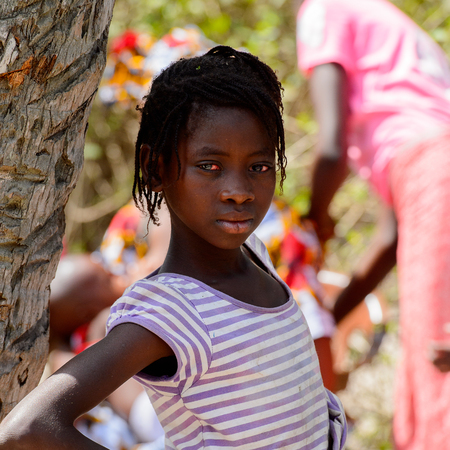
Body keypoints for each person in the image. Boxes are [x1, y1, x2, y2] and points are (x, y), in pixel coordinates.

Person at [0, 45, 346, 450]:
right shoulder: (172, 310)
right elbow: (29, 427)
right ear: (155, 168)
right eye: (209, 166)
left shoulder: (257, 256)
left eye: (259, 166)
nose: (238, 191)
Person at [296, 0, 450, 448]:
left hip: (435, 177)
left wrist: (314, 223)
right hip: (431, 174)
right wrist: (327, 320)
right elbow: (391, 237)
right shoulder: (380, 19)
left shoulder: (323, 7)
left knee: (435, 359)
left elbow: (331, 148)